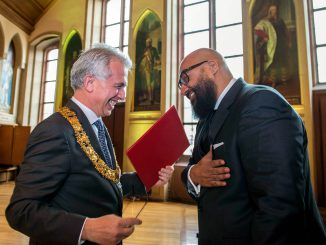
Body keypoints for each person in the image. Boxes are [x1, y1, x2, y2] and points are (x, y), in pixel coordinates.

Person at [6, 44, 174, 245]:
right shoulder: (55, 131)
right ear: (90, 83)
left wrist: (146, 180)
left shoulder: (96, 124)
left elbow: (102, 182)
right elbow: (21, 210)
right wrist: (86, 229)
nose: (123, 96)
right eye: (119, 86)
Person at [179, 48, 326, 244]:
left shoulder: (261, 104)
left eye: (185, 79)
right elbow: (193, 167)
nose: (182, 90)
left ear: (211, 67)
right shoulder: (205, 120)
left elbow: (279, 208)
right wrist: (193, 174)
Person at [254, 3, 291, 87]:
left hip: (281, 43)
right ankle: (273, 81)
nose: (274, 11)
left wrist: (288, 41)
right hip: (272, 44)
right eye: (272, 10)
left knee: (282, 61)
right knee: (273, 62)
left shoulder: (280, 20)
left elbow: (285, 31)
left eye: (275, 10)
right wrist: (265, 36)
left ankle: (283, 80)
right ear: (270, 11)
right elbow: (257, 29)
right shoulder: (266, 21)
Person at [138, 37, 160, 104]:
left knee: (153, 83)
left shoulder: (154, 49)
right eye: (147, 42)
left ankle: (153, 97)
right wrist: (144, 55)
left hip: (152, 68)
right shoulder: (144, 50)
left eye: (149, 42)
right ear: (146, 43)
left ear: (151, 42)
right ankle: (150, 98)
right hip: (146, 69)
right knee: (148, 84)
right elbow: (140, 59)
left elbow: (158, 59)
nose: (148, 43)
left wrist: (157, 62)